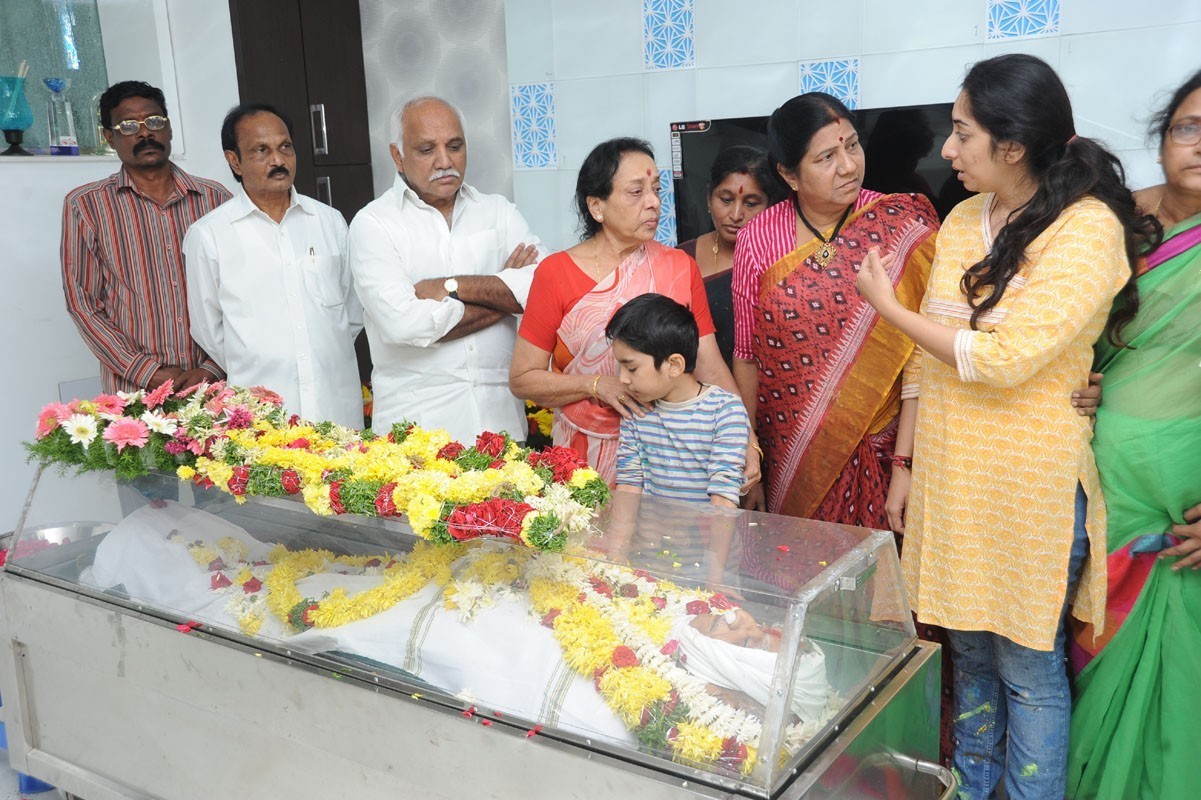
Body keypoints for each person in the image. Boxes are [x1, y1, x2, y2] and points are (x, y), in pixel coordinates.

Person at [855, 54, 1157, 800]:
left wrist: (888, 310)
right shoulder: (963, 219)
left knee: (1027, 667)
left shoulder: (1086, 229)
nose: (947, 150)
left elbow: (1004, 360)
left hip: (1030, 485)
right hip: (952, 475)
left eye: (963, 133)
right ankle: (969, 788)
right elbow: (928, 363)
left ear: (1013, 144)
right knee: (970, 658)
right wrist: (905, 466)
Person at [1066, 69, 1201, 800]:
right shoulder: (1109, 222)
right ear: (1162, 136)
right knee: (1095, 648)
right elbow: (1064, 330)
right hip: (1100, 481)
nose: (1200, 145)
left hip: (1185, 503)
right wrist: (1079, 375)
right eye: (1189, 127)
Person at [731, 92, 938, 527]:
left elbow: (922, 353)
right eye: (826, 157)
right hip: (794, 453)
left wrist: (906, 462)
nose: (848, 165)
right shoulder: (758, 237)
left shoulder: (899, 221)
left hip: (889, 447)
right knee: (801, 558)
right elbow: (747, 357)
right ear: (789, 174)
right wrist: (751, 452)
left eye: (853, 146)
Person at [509, 137, 757, 486]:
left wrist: (747, 439)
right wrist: (596, 385)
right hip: (583, 462)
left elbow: (711, 366)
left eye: (656, 190)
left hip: (673, 462)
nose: (653, 202)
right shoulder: (555, 273)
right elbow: (523, 378)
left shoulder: (678, 267)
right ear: (597, 206)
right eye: (636, 192)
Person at [347, 96, 547, 442]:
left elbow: (545, 287)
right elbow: (405, 325)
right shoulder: (374, 224)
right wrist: (505, 297)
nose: (444, 161)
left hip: (501, 429)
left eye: (455, 146)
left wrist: (452, 286)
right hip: (417, 438)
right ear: (397, 156)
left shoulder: (498, 212)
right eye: (427, 150)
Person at [184, 103, 364, 428]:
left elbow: (352, 311)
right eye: (261, 150)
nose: (278, 160)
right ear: (234, 160)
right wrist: (262, 361)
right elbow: (209, 331)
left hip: (334, 407)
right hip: (262, 419)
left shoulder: (329, 221)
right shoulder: (210, 235)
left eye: (285, 147)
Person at [62, 80, 231, 393]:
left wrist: (213, 366)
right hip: (134, 391)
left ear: (169, 128)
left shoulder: (217, 199)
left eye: (154, 121)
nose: (144, 133)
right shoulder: (86, 206)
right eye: (128, 126)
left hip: (215, 385)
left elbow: (240, 291)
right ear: (109, 137)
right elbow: (83, 303)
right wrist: (145, 372)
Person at [607, 293, 749, 508]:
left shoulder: (725, 411)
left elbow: (723, 499)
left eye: (632, 368)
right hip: (650, 531)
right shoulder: (637, 410)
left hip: (709, 529)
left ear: (674, 365)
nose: (622, 379)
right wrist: (620, 532)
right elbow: (628, 485)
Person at [676, 146, 787, 367]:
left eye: (751, 204)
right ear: (709, 197)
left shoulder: (783, 259)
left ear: (770, 206)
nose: (736, 215)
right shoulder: (680, 259)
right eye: (726, 200)